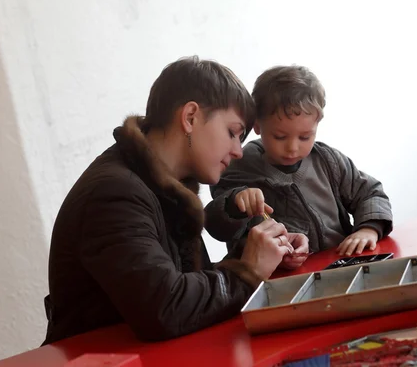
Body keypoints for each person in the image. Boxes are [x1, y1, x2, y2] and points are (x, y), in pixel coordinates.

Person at [42, 56, 308, 345]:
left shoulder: (163, 186)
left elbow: (190, 291)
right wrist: (249, 272)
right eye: (232, 133)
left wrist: (265, 254)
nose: (238, 151)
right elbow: (165, 309)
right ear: (190, 117)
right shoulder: (113, 194)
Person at [204, 65, 392, 266]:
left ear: (317, 123)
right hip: (276, 277)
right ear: (258, 125)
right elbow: (215, 223)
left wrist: (368, 229)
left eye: (305, 136)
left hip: (339, 265)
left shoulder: (328, 161)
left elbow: (370, 193)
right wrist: (234, 203)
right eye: (280, 136)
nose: (292, 148)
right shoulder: (240, 166)